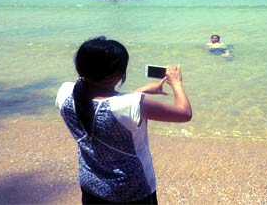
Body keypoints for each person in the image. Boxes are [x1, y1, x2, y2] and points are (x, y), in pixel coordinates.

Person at [56, 36, 192, 204]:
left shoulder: (65, 94)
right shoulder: (133, 104)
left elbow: (114, 105)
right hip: (132, 191)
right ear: (117, 74)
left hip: (91, 185)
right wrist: (176, 83)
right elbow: (184, 113)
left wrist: (141, 91)